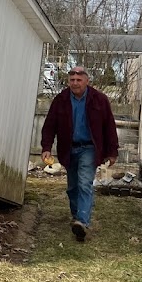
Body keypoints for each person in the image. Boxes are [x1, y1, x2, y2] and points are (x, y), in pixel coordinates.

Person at [40, 65, 119, 242]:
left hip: (89, 148)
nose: (75, 83)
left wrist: (112, 152)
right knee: (72, 187)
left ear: (87, 81)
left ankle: (82, 221)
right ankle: (77, 216)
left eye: (79, 80)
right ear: (68, 81)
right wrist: (46, 147)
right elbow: (49, 126)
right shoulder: (60, 100)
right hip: (68, 149)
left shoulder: (99, 100)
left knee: (84, 183)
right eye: (72, 80)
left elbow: (109, 127)